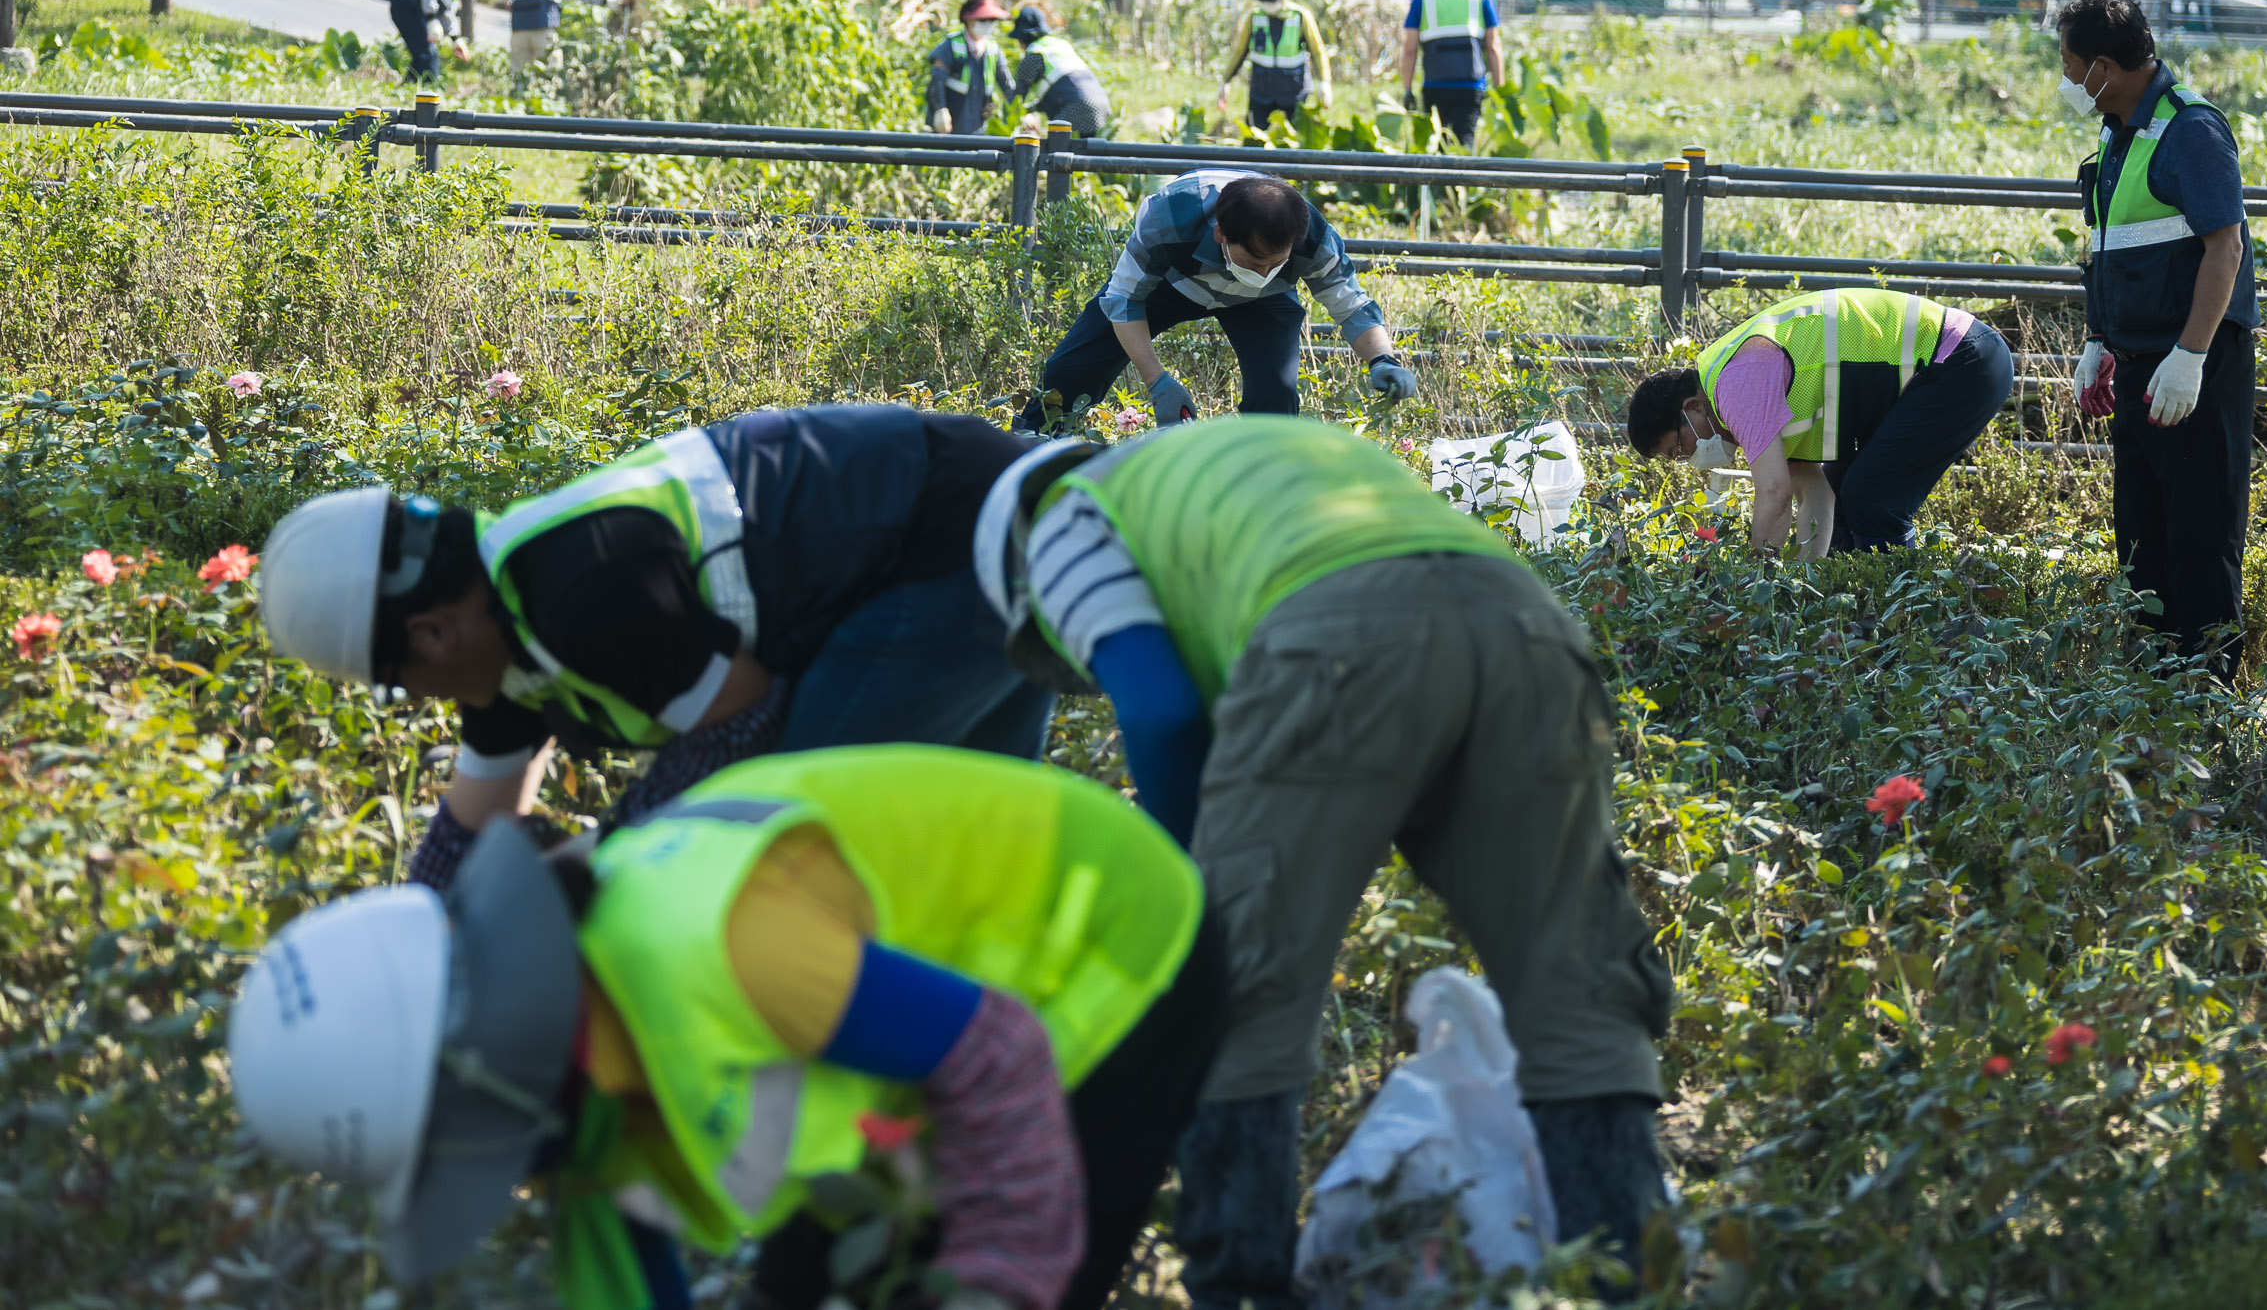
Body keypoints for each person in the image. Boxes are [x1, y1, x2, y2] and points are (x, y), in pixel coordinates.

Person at [974, 418, 1677, 1304]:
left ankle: (1245, 1283)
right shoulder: (1232, 460)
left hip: (1334, 637)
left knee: (1236, 998)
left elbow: (1160, 712)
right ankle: (1629, 1273)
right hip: (1525, 624)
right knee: (1577, 982)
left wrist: (1188, 893)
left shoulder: (1063, 518)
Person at [225, 746, 1227, 1310]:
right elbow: (631, 1274)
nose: (507, 1173)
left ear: (489, 1074)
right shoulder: (571, 1071)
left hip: (1103, 951)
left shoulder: (723, 941)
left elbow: (996, 1054)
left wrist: (993, 1281)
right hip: (908, 1044)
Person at [254, 404, 1057, 888]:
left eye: (399, 681)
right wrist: (417, 941)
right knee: (982, 850)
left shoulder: (577, 588)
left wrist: (601, 857)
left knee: (800, 823)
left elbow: (740, 722)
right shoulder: (503, 636)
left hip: (950, 539)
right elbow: (470, 828)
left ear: (430, 633)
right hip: (968, 514)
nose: (422, 699)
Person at [2059, 0, 2256, 680]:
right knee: (2143, 550)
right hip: (2140, 371)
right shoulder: (2120, 136)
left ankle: (2207, 709)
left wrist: (2191, 354)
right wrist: (2097, 339)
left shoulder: (2189, 131)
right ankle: (2153, 701)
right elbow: (2113, 248)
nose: (2065, 78)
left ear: (2104, 67)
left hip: (2193, 371)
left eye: (2070, 62)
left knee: (2200, 546)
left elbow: (2223, 248)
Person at [1013, 169, 1416, 431]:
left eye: (1275, 262)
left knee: (1275, 395)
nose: (1261, 272)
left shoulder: (1309, 236)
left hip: (1266, 303)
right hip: (1169, 285)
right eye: (1254, 260)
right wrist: (1158, 382)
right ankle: (1032, 441)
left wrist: (1382, 359)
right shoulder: (1168, 216)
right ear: (1222, 233)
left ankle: (1264, 484)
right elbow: (1122, 301)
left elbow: (1351, 304)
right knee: (1072, 369)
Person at [1625, 288, 2014, 556]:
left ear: (1692, 408)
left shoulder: (1733, 384)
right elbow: (1817, 494)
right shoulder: (1740, 388)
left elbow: (1774, 493)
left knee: (1871, 499)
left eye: (1680, 448)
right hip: (1954, 360)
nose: (1690, 458)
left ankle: (1901, 627)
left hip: (1959, 359)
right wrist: (1801, 583)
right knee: (1848, 495)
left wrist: (1756, 593)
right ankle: (1857, 627)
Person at [1397, 0, 1505, 148]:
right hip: (1470, 84)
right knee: (1465, 142)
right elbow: (1493, 47)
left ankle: (1438, 180)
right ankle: (1463, 180)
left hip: (1435, 84)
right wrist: (1499, 87)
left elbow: (1410, 49)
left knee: (1437, 145)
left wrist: (1407, 88)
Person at [1213, 0, 1332, 132]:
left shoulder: (1300, 16)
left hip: (1294, 91)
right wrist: (1225, 81)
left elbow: (1318, 51)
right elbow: (1239, 52)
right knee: (1254, 140)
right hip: (1261, 91)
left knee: (1294, 142)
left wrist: (1325, 82)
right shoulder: (1253, 17)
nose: (1267, 4)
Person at [1007, 6, 1112, 138]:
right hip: (1101, 102)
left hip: (1076, 107)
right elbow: (1060, 85)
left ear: (1022, 39)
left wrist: (1015, 115)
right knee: (1088, 153)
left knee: (1056, 151)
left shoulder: (1034, 54)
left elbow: (1018, 97)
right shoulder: (1060, 44)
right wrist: (1033, 109)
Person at [391, 0, 494, 82]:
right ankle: (425, 95)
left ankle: (410, 89)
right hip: (405, 5)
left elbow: (446, 8)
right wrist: (431, 19)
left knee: (425, 55)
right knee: (428, 55)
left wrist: (455, 38)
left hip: (413, 8)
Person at [930, 0, 1014, 135]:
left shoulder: (993, 50)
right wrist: (940, 109)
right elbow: (937, 79)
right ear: (969, 19)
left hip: (978, 128)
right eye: (983, 20)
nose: (988, 24)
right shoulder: (951, 45)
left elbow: (1009, 87)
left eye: (991, 20)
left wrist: (1017, 110)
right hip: (949, 126)